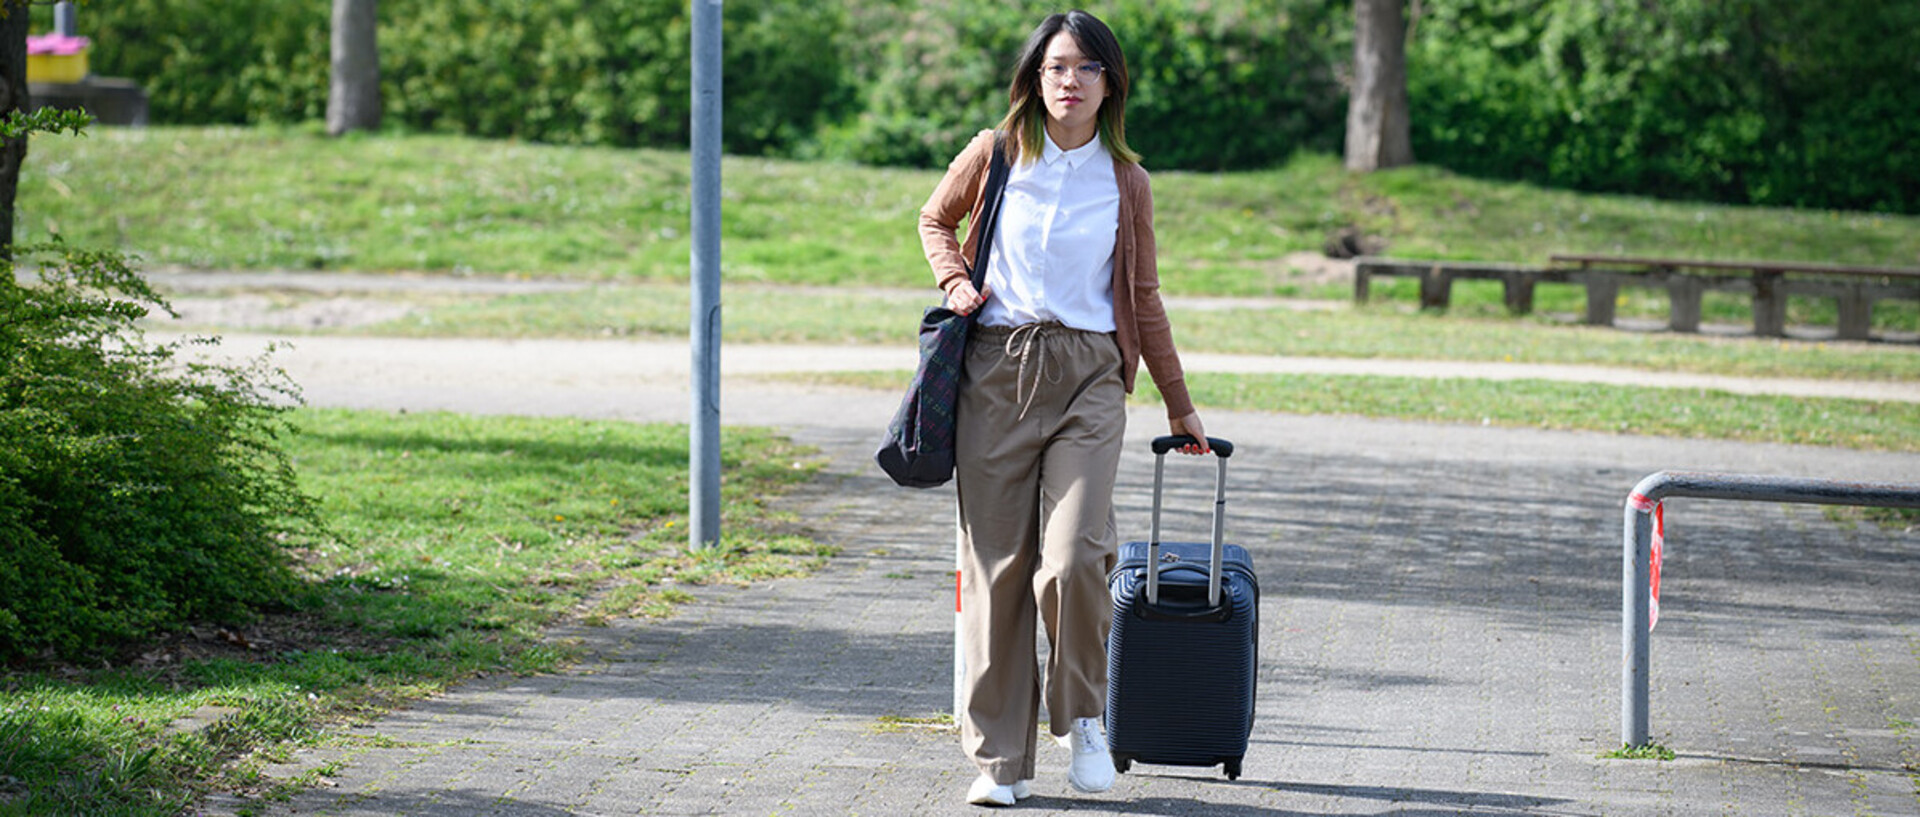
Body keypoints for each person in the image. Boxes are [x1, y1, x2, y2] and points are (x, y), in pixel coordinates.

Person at [917, 9, 1211, 807]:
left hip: (1088, 374)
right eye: (1055, 68)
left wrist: (1179, 405)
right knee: (996, 570)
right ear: (1034, 77)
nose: (1069, 82)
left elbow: (1143, 298)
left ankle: (1082, 713)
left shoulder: (1127, 180)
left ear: (1109, 82)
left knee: (1076, 555)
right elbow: (933, 219)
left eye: (1085, 68)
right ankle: (998, 761)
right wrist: (954, 281)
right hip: (996, 371)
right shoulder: (996, 153)